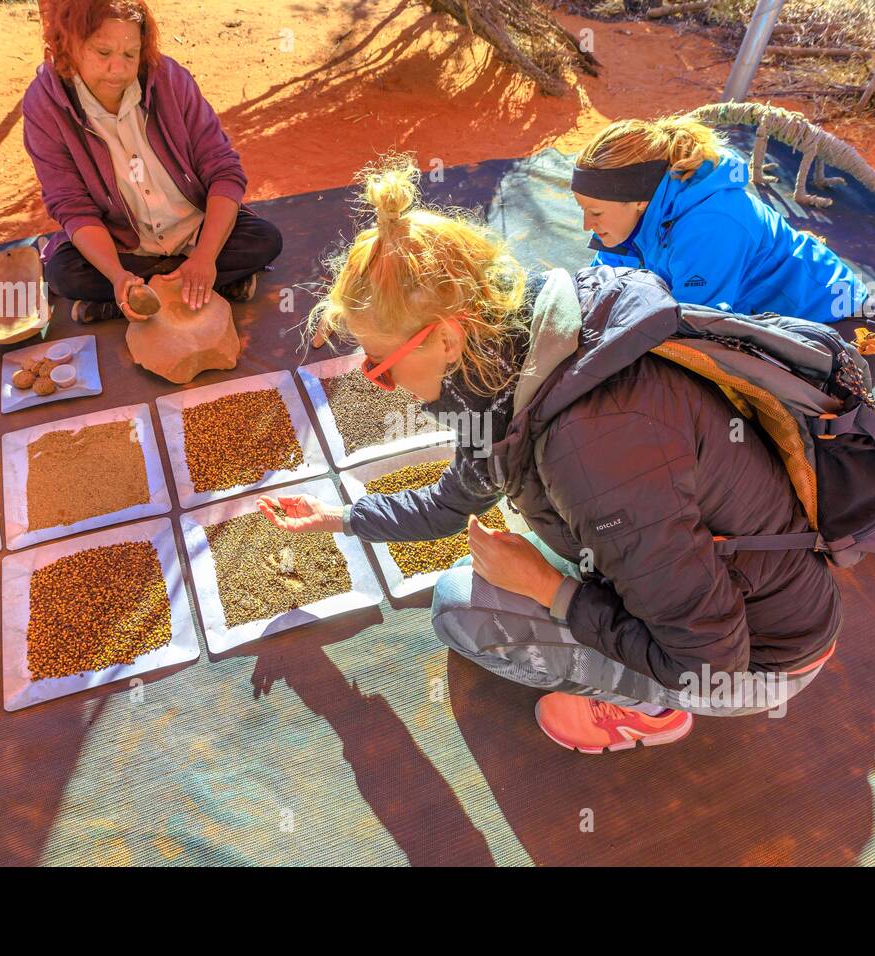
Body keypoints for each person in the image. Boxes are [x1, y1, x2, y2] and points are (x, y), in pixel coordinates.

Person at [257, 156, 842, 754]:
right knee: (480, 575)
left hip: (757, 658)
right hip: (709, 577)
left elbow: (707, 658)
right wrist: (342, 517)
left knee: (463, 610)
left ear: (446, 339)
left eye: (380, 369)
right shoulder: (517, 354)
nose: (382, 385)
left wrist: (548, 589)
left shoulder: (592, 449)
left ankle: (648, 712)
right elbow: (452, 500)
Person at [572, 116, 875, 601]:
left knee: (798, 448)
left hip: (843, 333)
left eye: (594, 212)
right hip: (766, 336)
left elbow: (685, 331)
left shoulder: (709, 223)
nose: (586, 226)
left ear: (637, 198)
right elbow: (612, 296)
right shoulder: (630, 223)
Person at [21, 0, 282, 323]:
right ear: (69, 46)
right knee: (66, 274)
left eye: (130, 54)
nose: (118, 70)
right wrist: (117, 275)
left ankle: (134, 298)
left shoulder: (170, 79)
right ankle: (193, 286)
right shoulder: (45, 104)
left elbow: (223, 169)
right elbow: (73, 206)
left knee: (263, 240)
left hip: (192, 231)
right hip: (126, 246)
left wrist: (204, 255)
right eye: (103, 53)